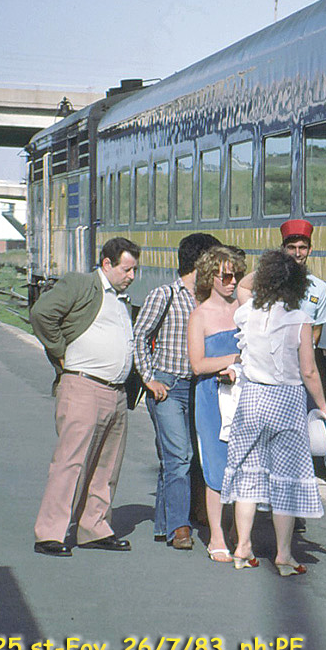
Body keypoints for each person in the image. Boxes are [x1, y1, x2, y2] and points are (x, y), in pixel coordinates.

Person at [220, 250, 326, 575]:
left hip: (253, 397)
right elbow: (309, 371)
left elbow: (244, 285)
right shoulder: (301, 319)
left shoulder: (248, 312)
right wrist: (323, 406)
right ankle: (283, 556)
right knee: (287, 479)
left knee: (247, 474)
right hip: (287, 400)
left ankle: (242, 548)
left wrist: (270, 269)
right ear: (297, 284)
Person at [31, 237, 141, 557]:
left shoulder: (120, 298)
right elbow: (42, 313)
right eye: (127, 269)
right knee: (70, 462)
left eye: (134, 269)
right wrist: (60, 352)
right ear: (106, 264)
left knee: (107, 466)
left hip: (115, 392)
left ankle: (94, 527)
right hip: (83, 386)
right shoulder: (81, 284)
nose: (132, 276)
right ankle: (50, 533)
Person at [133, 233, 222, 551]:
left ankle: (164, 524)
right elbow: (139, 336)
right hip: (168, 388)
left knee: (178, 458)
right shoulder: (165, 295)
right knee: (180, 456)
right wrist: (149, 379)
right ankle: (180, 528)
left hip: (198, 389)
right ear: (200, 262)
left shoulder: (207, 300)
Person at [188, 246, 246, 562]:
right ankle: (217, 536)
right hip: (211, 397)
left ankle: (239, 531)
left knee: (243, 463)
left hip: (242, 395)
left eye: (236, 275)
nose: (232, 281)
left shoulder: (243, 308)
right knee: (215, 465)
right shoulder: (199, 316)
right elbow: (198, 365)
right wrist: (233, 359)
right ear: (211, 277)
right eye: (226, 276)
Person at [238, 219, 326, 345]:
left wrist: (306, 351)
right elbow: (243, 288)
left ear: (310, 250)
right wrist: (270, 269)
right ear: (283, 249)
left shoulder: (320, 288)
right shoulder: (267, 280)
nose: (297, 253)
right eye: (291, 247)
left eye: (302, 248)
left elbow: (317, 329)